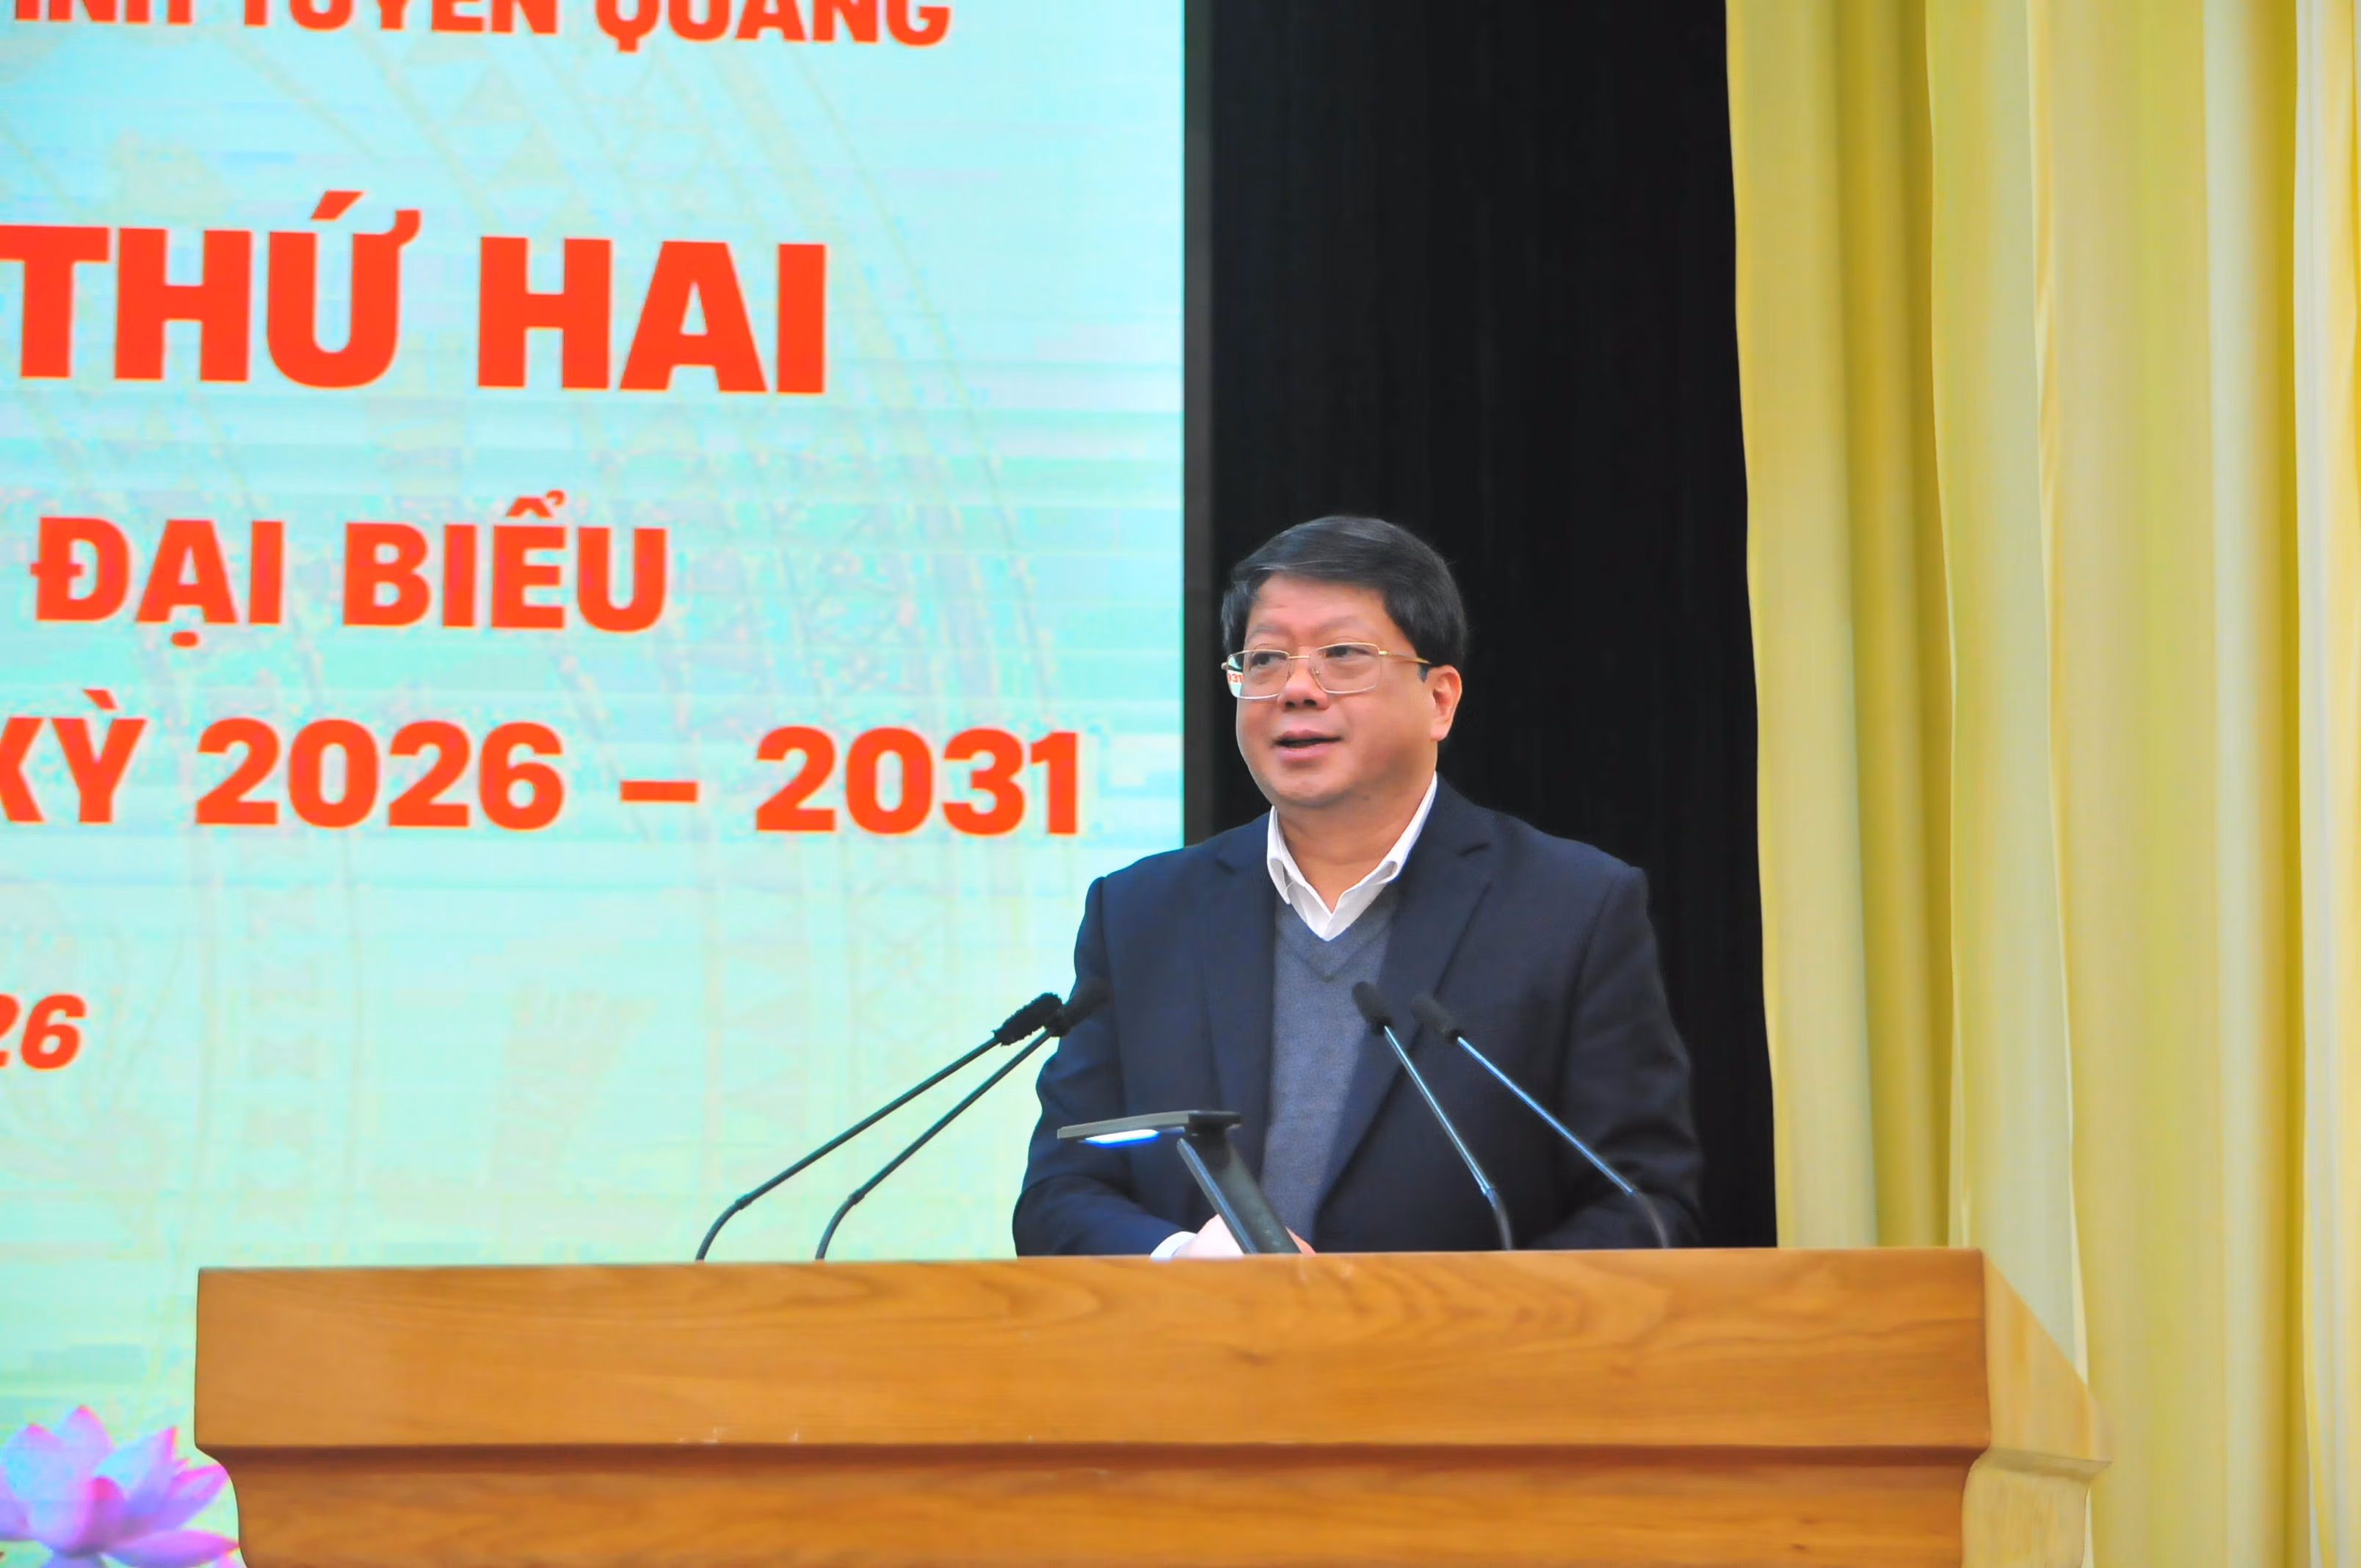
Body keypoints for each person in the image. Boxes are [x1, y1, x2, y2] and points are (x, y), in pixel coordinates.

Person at [1013, 515, 1701, 1256]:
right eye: (1265, 659)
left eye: (1342, 655)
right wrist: (1183, 1262)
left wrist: (1451, 1310)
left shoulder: (1570, 908)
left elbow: (1644, 1204)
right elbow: (1061, 1192)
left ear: (1440, 700)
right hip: (1200, 1331)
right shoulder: (1142, 914)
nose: (1296, 689)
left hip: (1458, 1334)